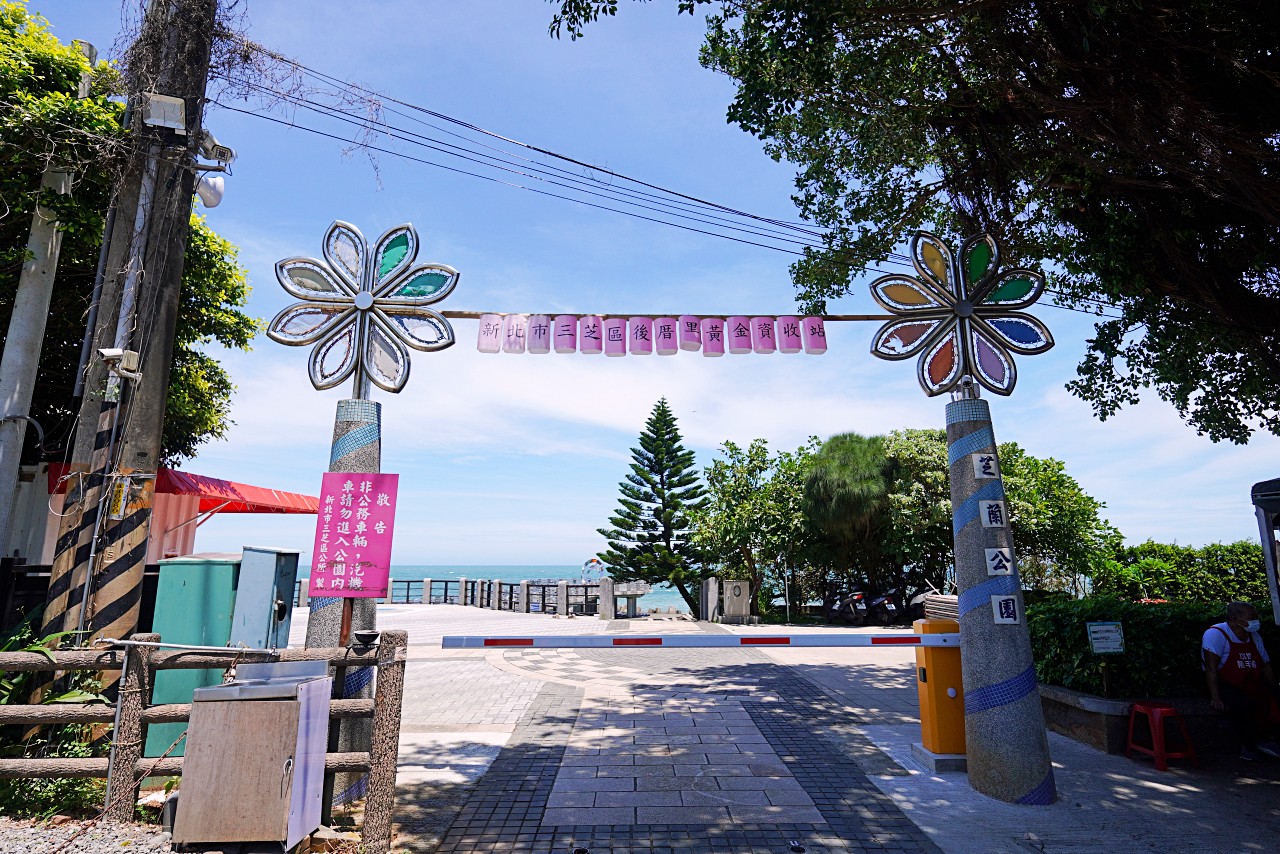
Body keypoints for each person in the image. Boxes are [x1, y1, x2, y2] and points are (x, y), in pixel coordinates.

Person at [1202, 602, 1280, 760]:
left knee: (1272, 700)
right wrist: (1215, 697)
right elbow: (1211, 668)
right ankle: (1249, 746)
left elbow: (1266, 665)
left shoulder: (1254, 636)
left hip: (1249, 681)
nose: (1255, 620)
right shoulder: (1216, 633)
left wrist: (1274, 687)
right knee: (1244, 705)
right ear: (1234, 618)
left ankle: (1269, 740)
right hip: (1225, 682)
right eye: (1251, 616)